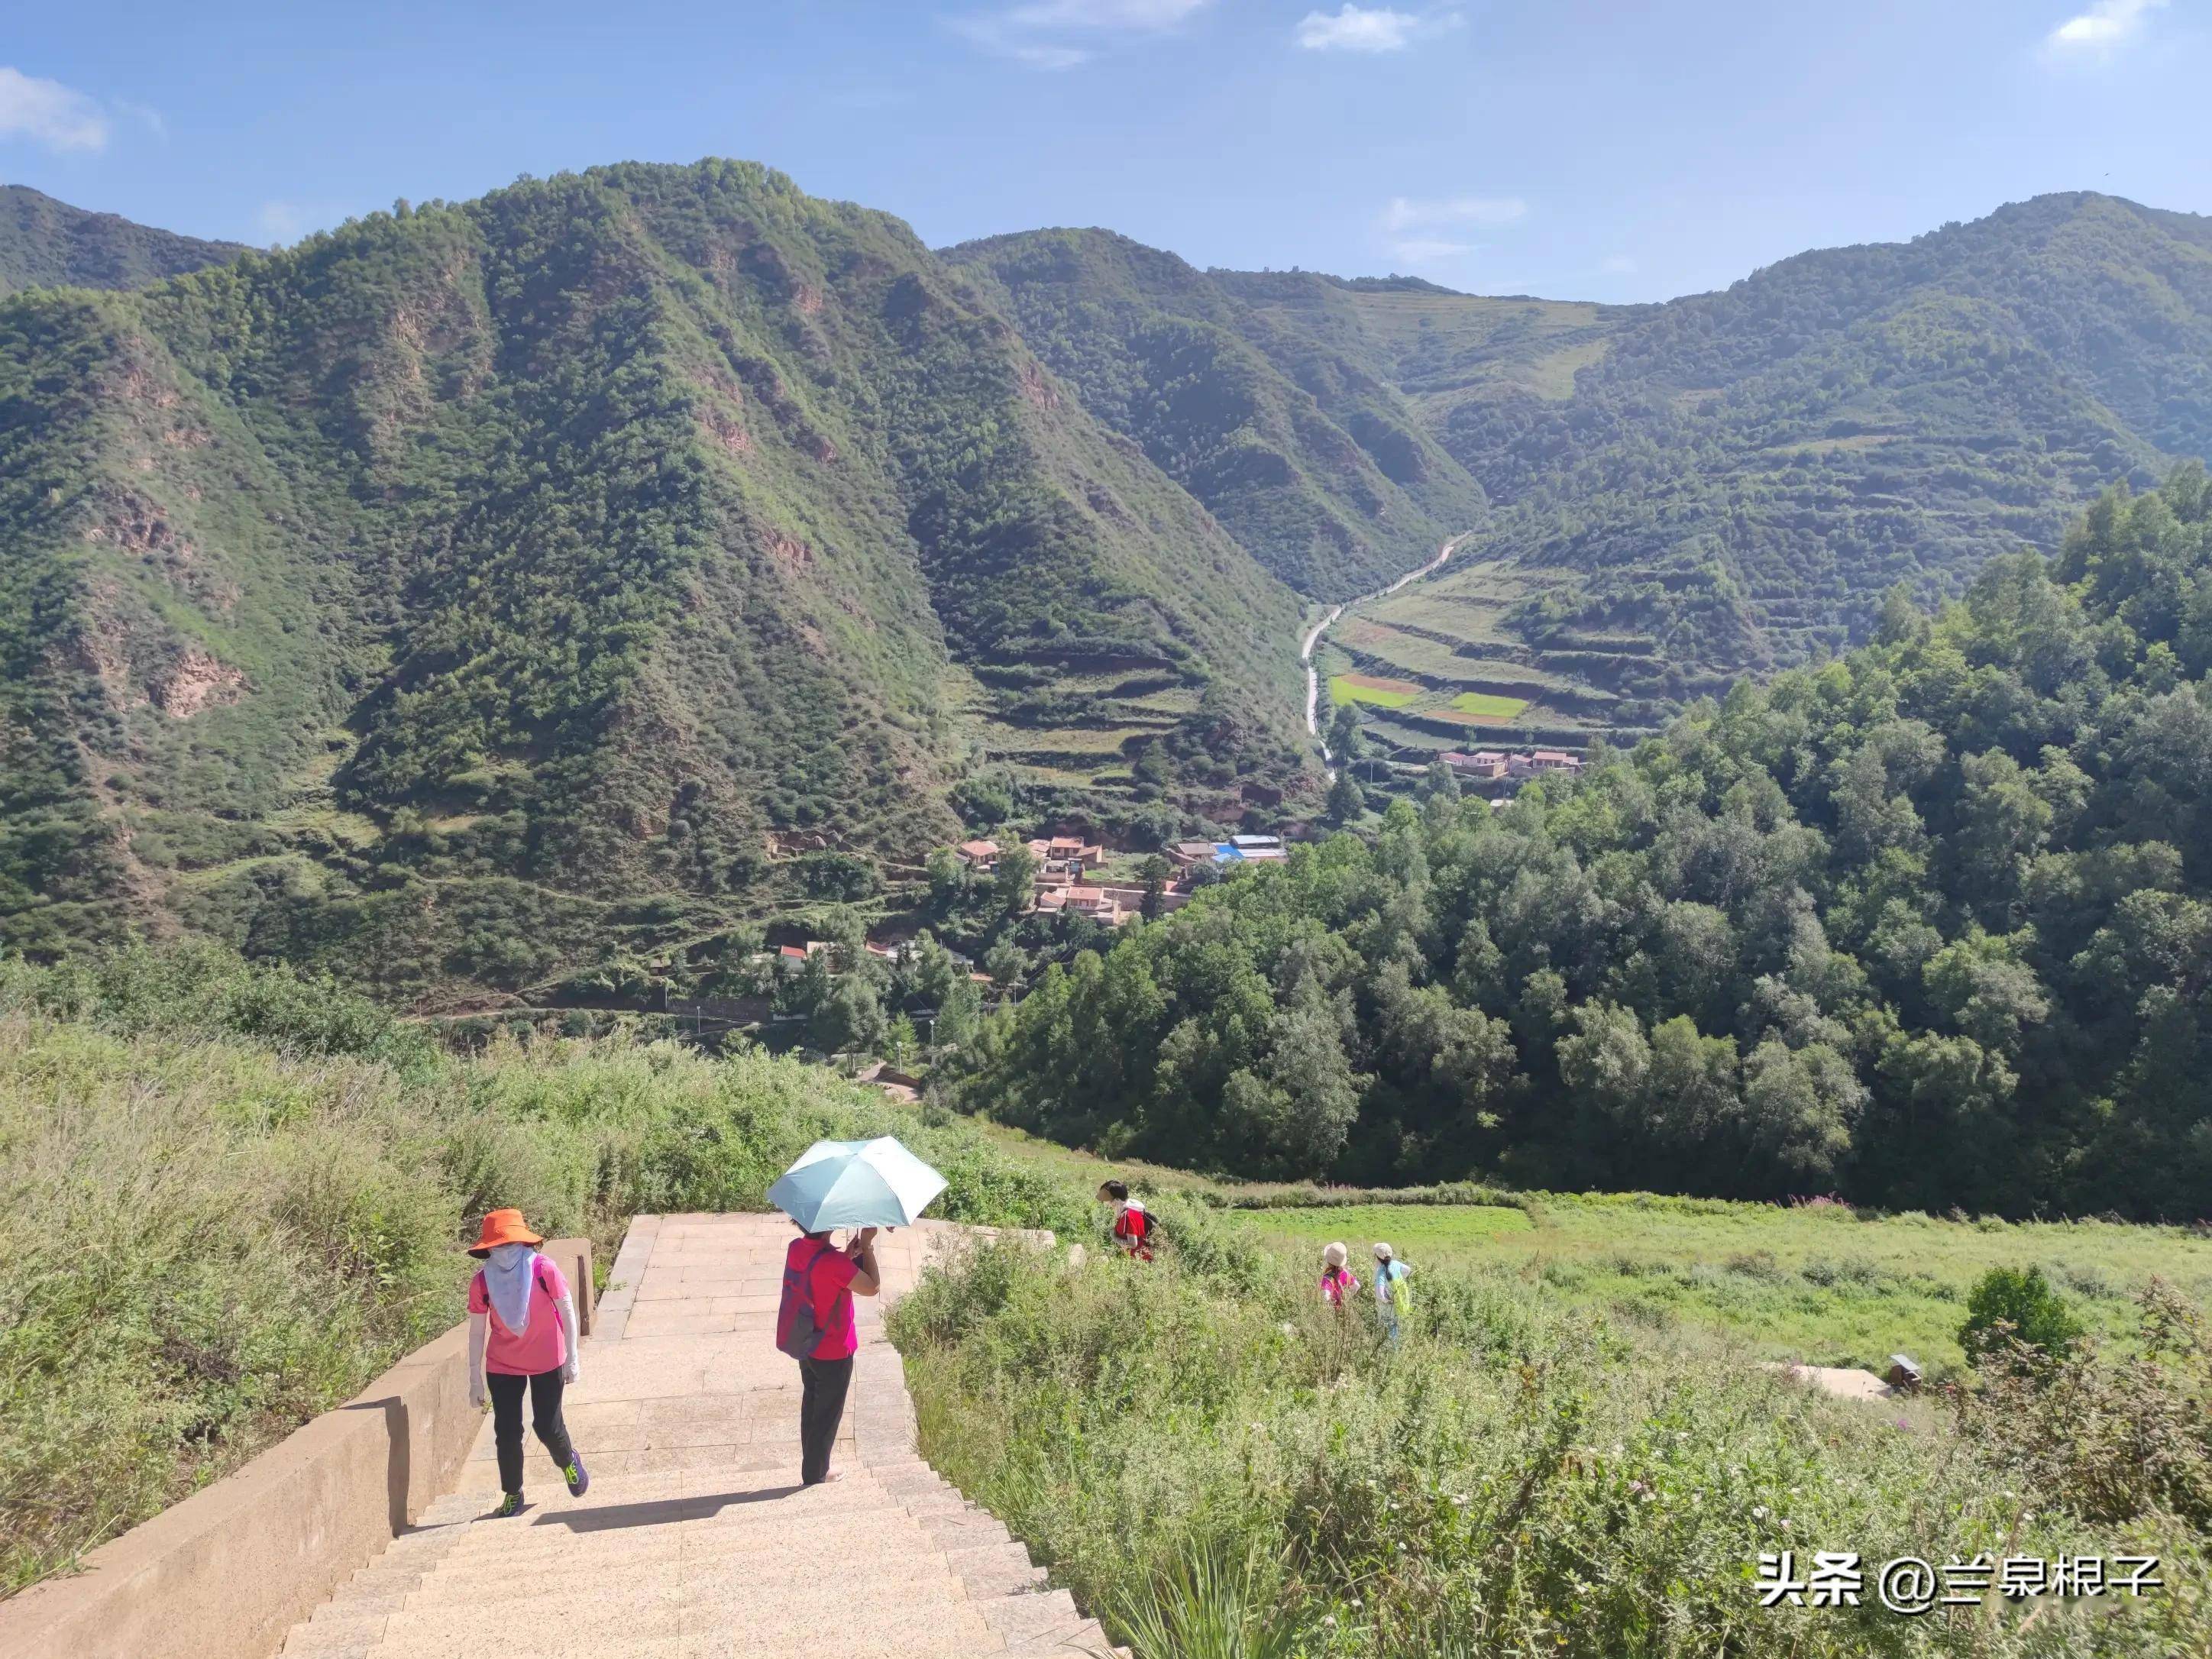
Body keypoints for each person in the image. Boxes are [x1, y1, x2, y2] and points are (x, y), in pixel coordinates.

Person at [465, 1209, 587, 1518]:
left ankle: (568, 1460)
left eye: (510, 1244)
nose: (504, 1251)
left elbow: (568, 1311)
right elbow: (477, 1330)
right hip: (503, 1363)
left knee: (546, 1425)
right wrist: (474, 1379)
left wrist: (573, 1359)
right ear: (488, 1249)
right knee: (506, 1431)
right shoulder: (482, 1282)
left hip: (547, 1357)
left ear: (523, 1243)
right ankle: (513, 1494)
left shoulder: (543, 1269)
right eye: (498, 1245)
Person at [776, 1221, 880, 1486]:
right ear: (828, 1226)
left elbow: (818, 1275)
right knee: (827, 1413)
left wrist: (846, 1257)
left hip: (807, 1342)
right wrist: (866, 1246)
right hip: (834, 1349)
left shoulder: (796, 1249)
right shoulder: (834, 1263)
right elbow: (872, 1287)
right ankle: (816, 1474)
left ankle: (813, 1465)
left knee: (812, 1403)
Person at [1099, 1179, 1154, 1261]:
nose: (1107, 1203)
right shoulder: (1131, 1207)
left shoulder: (1128, 1216)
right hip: (1135, 1257)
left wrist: (1114, 1237)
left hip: (1140, 1261)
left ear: (1116, 1200)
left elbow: (1133, 1244)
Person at [1372, 1242, 1413, 1344]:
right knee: (1394, 1325)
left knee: (1386, 1327)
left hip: (1387, 1306)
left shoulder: (1381, 1272)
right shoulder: (1396, 1264)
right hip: (1398, 1301)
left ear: (1377, 1257)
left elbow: (1380, 1294)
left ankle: (1390, 1349)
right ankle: (1395, 1346)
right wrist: (1399, 1280)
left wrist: (1386, 1300)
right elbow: (1408, 1270)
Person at [1319, 1241, 1359, 1310]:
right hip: (1344, 1309)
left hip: (1333, 1312)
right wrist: (1347, 1298)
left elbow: (1326, 1297)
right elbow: (1357, 1286)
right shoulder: (1346, 1273)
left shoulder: (1327, 1278)